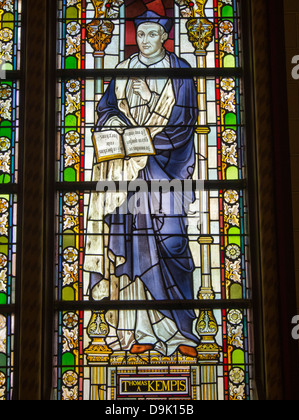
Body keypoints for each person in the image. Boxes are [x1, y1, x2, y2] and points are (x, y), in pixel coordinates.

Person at [84, 11, 199, 357]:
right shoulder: (122, 72)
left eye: (152, 34)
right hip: (126, 179)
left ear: (164, 37)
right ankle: (140, 330)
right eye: (141, 34)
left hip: (165, 176)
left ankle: (181, 331)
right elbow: (105, 112)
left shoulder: (181, 74)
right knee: (132, 246)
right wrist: (116, 126)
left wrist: (149, 102)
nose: (145, 40)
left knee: (173, 244)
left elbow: (184, 124)